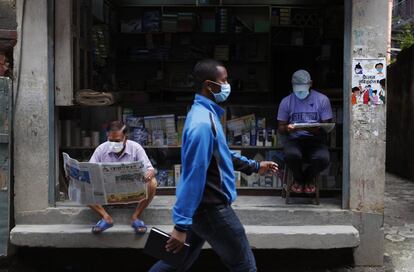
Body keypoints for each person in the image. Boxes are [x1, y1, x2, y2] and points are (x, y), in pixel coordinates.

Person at [149, 59, 278, 272]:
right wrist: (180, 225)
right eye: (224, 80)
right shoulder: (202, 124)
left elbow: (222, 155)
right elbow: (193, 175)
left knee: (174, 263)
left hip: (202, 209)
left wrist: (254, 166)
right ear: (210, 85)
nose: (228, 85)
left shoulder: (207, 114)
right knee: (244, 266)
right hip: (212, 209)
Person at [88, 121, 157, 234]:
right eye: (110, 140)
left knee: (152, 183)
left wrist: (149, 174)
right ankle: (106, 217)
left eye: (117, 141)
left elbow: (150, 169)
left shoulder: (136, 148)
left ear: (126, 138)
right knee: (82, 186)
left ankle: (136, 217)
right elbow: (91, 170)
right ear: (107, 137)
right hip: (108, 193)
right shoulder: (101, 149)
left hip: (132, 192)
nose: (113, 143)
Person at [277, 69, 332, 194]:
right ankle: (300, 180)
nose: (300, 91)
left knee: (323, 158)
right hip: (294, 140)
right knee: (291, 155)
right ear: (292, 85)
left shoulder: (322, 100)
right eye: (297, 87)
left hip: (316, 140)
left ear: (311, 84)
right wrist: (287, 128)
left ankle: (305, 178)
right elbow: (280, 127)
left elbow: (326, 125)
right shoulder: (286, 102)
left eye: (303, 87)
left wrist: (317, 129)